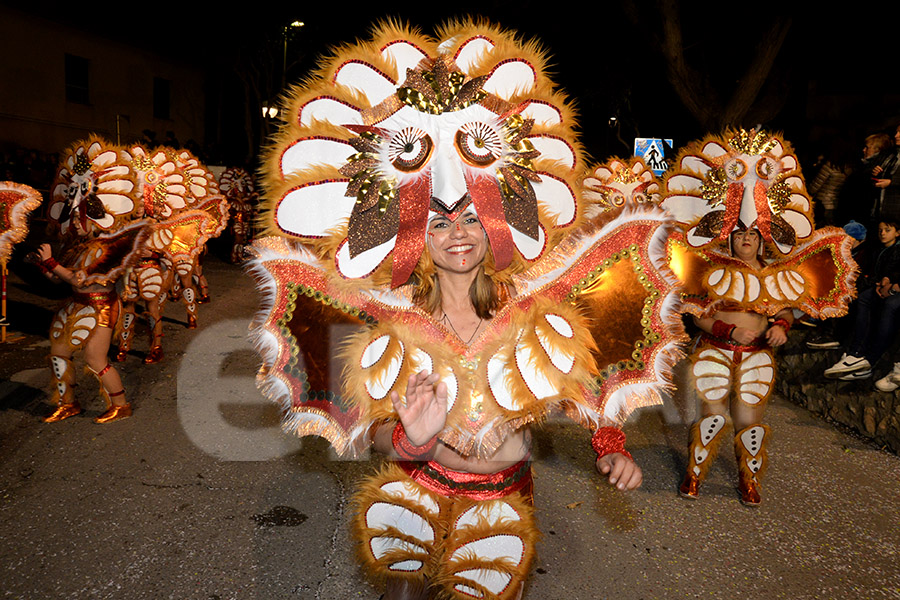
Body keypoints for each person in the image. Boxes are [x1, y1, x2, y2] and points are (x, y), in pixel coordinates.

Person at [247, 22, 684, 600]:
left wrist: (611, 447)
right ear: (412, 235)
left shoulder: (536, 310)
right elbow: (374, 433)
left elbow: (580, 387)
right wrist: (411, 439)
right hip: (416, 488)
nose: (458, 232)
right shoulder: (392, 318)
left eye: (471, 215)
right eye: (438, 221)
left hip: (506, 498)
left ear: (496, 220)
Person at [679, 227, 793, 506]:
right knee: (712, 419)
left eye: (753, 234)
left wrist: (781, 325)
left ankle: (749, 479)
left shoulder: (772, 275)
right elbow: (697, 316)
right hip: (716, 349)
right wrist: (729, 331)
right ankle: (694, 474)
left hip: (756, 355)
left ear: (760, 242)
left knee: (749, 424)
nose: (746, 238)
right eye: (740, 233)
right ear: (730, 239)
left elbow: (786, 310)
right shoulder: (714, 269)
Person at [35, 241, 132, 423]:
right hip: (77, 303)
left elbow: (78, 280)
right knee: (59, 354)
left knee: (95, 359)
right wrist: (44, 267)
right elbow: (59, 278)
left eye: (80, 218)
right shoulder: (77, 246)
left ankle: (121, 406)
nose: (75, 223)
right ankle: (67, 404)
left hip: (102, 305)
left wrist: (50, 262)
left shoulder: (110, 248)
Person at [824, 218, 900, 380]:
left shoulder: (893, 249)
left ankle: (864, 357)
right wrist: (885, 281)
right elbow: (888, 270)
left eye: (887, 230)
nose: (883, 234)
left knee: (884, 303)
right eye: (881, 230)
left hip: (889, 289)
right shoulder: (878, 249)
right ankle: (852, 352)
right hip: (883, 285)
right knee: (860, 296)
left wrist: (890, 286)